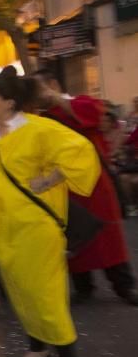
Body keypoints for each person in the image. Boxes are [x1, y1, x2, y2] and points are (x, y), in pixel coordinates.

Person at [0, 67, 99, 357]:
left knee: (46, 294)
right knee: (19, 291)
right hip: (2, 227)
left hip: (36, 228)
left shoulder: (40, 129)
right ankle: (38, 347)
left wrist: (49, 180)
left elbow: (80, 152)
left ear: (9, 103)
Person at [33, 69, 138, 306]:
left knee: (110, 238)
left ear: (53, 83)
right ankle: (83, 286)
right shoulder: (41, 118)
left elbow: (94, 115)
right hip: (64, 185)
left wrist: (55, 99)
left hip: (95, 184)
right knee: (74, 237)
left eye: (41, 89)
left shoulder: (81, 102)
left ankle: (124, 286)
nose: (39, 97)